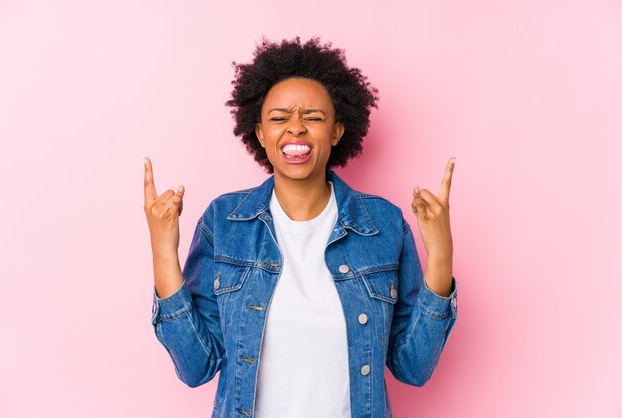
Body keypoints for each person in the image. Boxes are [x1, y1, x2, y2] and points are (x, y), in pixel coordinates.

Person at [144, 36, 458, 418]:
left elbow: (413, 368)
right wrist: (163, 252)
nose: (295, 129)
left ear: (337, 132)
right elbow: (196, 368)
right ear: (260, 133)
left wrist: (441, 256)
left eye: (313, 117)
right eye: (279, 118)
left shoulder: (385, 225)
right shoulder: (224, 223)